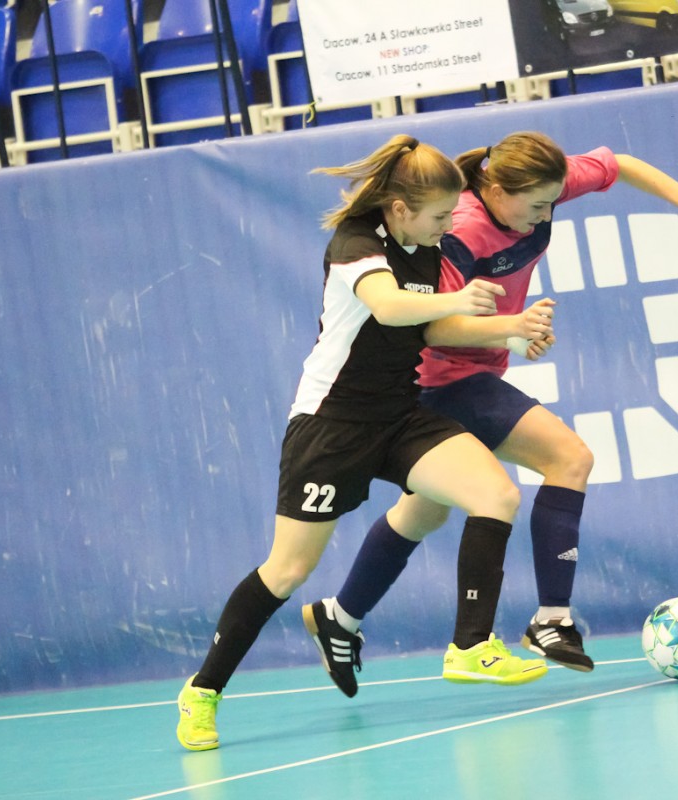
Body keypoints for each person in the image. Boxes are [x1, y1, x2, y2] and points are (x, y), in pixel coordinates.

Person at [305, 131, 678, 693]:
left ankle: (339, 616)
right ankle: (551, 619)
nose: (545, 215)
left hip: (474, 371)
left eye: (552, 203)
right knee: (568, 458)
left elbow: (622, 163)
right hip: (441, 379)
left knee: (424, 512)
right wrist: (511, 329)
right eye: (535, 206)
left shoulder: (541, 185)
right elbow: (432, 326)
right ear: (496, 190)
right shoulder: (461, 229)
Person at [176, 134, 559, 752]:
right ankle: (202, 691)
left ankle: (470, 646)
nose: (448, 228)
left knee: (496, 495)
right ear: (400, 208)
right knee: (287, 570)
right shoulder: (356, 244)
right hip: (332, 426)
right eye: (439, 217)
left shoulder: (426, 246)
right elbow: (386, 306)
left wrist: (507, 330)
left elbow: (431, 326)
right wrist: (460, 296)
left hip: (399, 414)